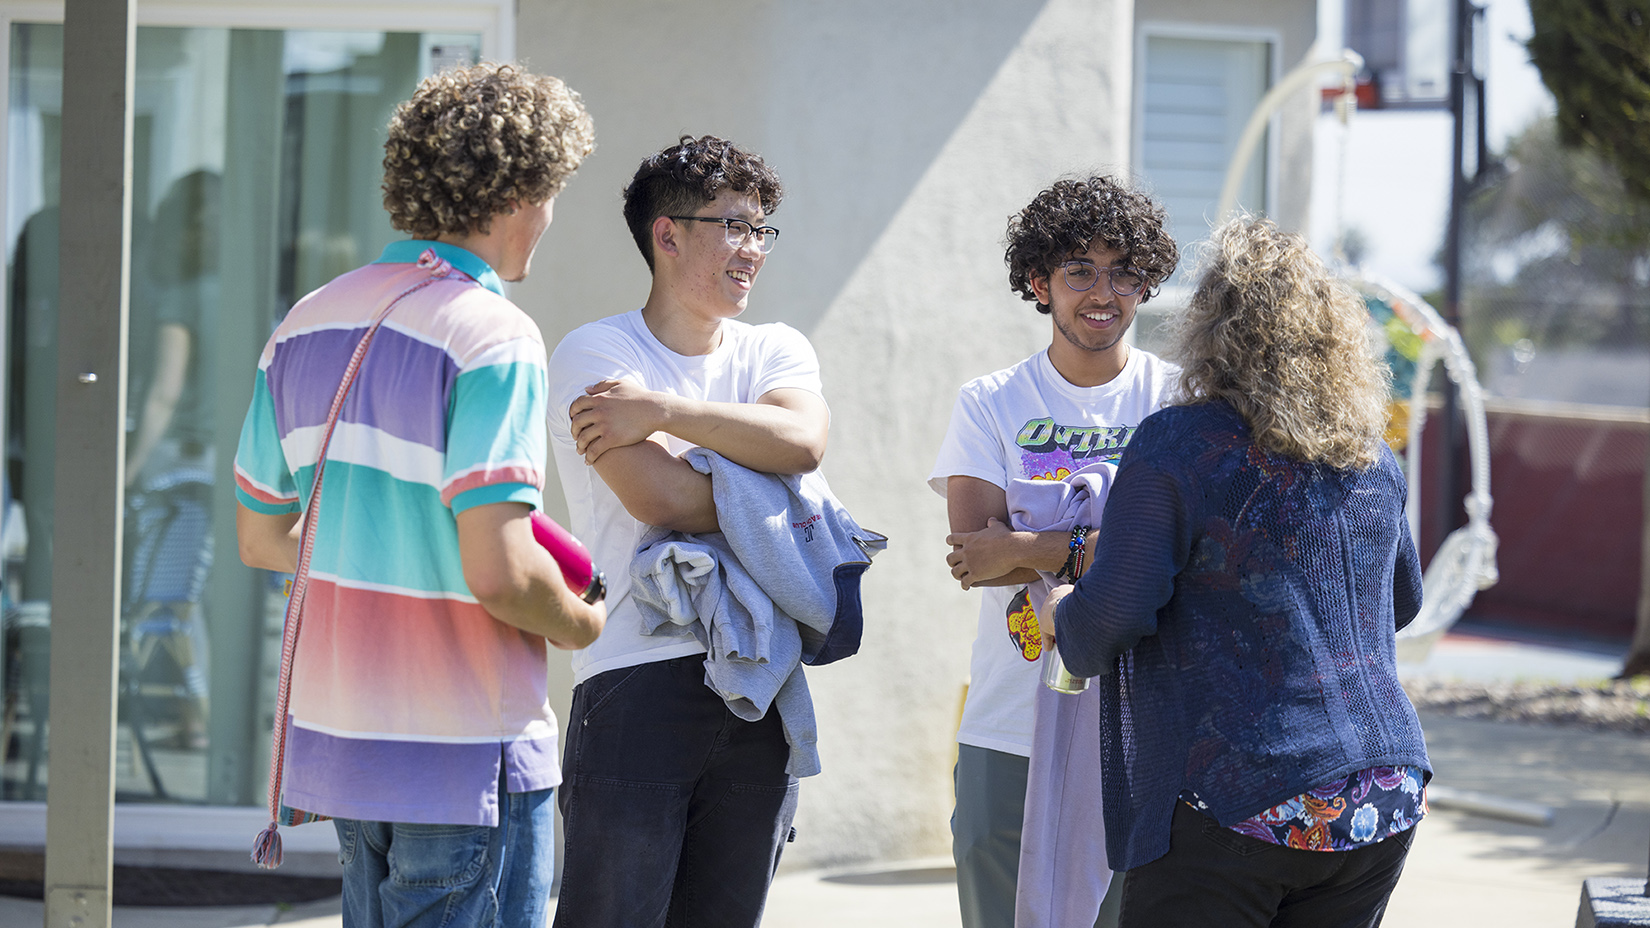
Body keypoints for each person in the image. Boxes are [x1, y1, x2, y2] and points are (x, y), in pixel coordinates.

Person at [232, 63, 604, 928]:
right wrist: (585, 623)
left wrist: (397, 552)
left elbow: (261, 536)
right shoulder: (493, 334)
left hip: (345, 747)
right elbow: (504, 575)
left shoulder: (307, 321)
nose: (550, 216)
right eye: (552, 192)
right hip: (462, 751)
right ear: (521, 190)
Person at [1043, 217, 1430, 928]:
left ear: (1211, 328)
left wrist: (1063, 609)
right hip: (1384, 792)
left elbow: (1112, 619)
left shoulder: (1178, 443)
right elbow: (1399, 602)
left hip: (1244, 796)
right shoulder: (1372, 456)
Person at [547, 134, 830, 928]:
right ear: (667, 233)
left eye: (761, 230)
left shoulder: (778, 349)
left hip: (760, 681)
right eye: (734, 226)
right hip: (636, 677)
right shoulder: (595, 352)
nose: (753, 249)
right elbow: (659, 497)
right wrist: (762, 479)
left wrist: (668, 413)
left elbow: (804, 444)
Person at [929, 174, 1181, 928]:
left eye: (1124, 272)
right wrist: (1108, 548)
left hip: (1144, 722)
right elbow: (975, 557)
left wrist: (1028, 546)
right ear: (1039, 282)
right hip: (1009, 717)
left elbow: (1176, 552)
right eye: (1079, 270)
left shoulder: (1178, 401)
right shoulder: (991, 400)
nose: (1103, 293)